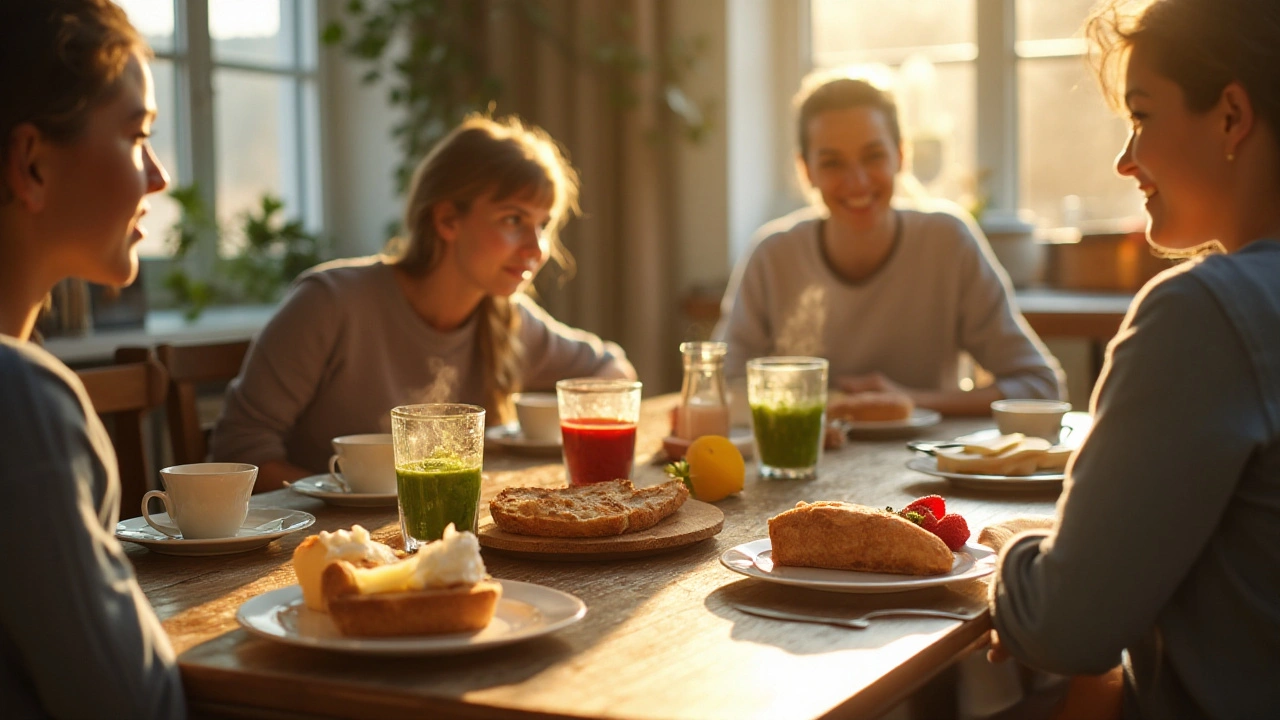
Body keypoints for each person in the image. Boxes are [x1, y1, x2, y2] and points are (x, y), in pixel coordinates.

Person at [988, 0, 1280, 717]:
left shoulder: (1205, 311)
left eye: (1143, 116)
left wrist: (1010, 552)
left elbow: (1064, 627)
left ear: (1232, 116)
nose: (1126, 159)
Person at [212, 116, 635, 489]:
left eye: (542, 225)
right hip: (320, 553)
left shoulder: (508, 319)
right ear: (447, 219)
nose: (537, 248)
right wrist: (349, 498)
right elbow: (239, 453)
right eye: (513, 220)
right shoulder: (330, 303)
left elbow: (612, 368)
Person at [0, 1, 185, 717]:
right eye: (137, 135)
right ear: (31, 163)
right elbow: (138, 708)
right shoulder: (20, 400)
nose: (159, 177)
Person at [714, 74, 1063, 415]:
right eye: (832, 163)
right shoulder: (772, 255)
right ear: (806, 170)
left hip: (928, 467)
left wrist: (911, 401)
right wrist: (824, 411)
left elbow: (1041, 386)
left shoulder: (947, 242)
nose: (857, 181)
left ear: (901, 155)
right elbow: (716, 388)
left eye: (873, 156)